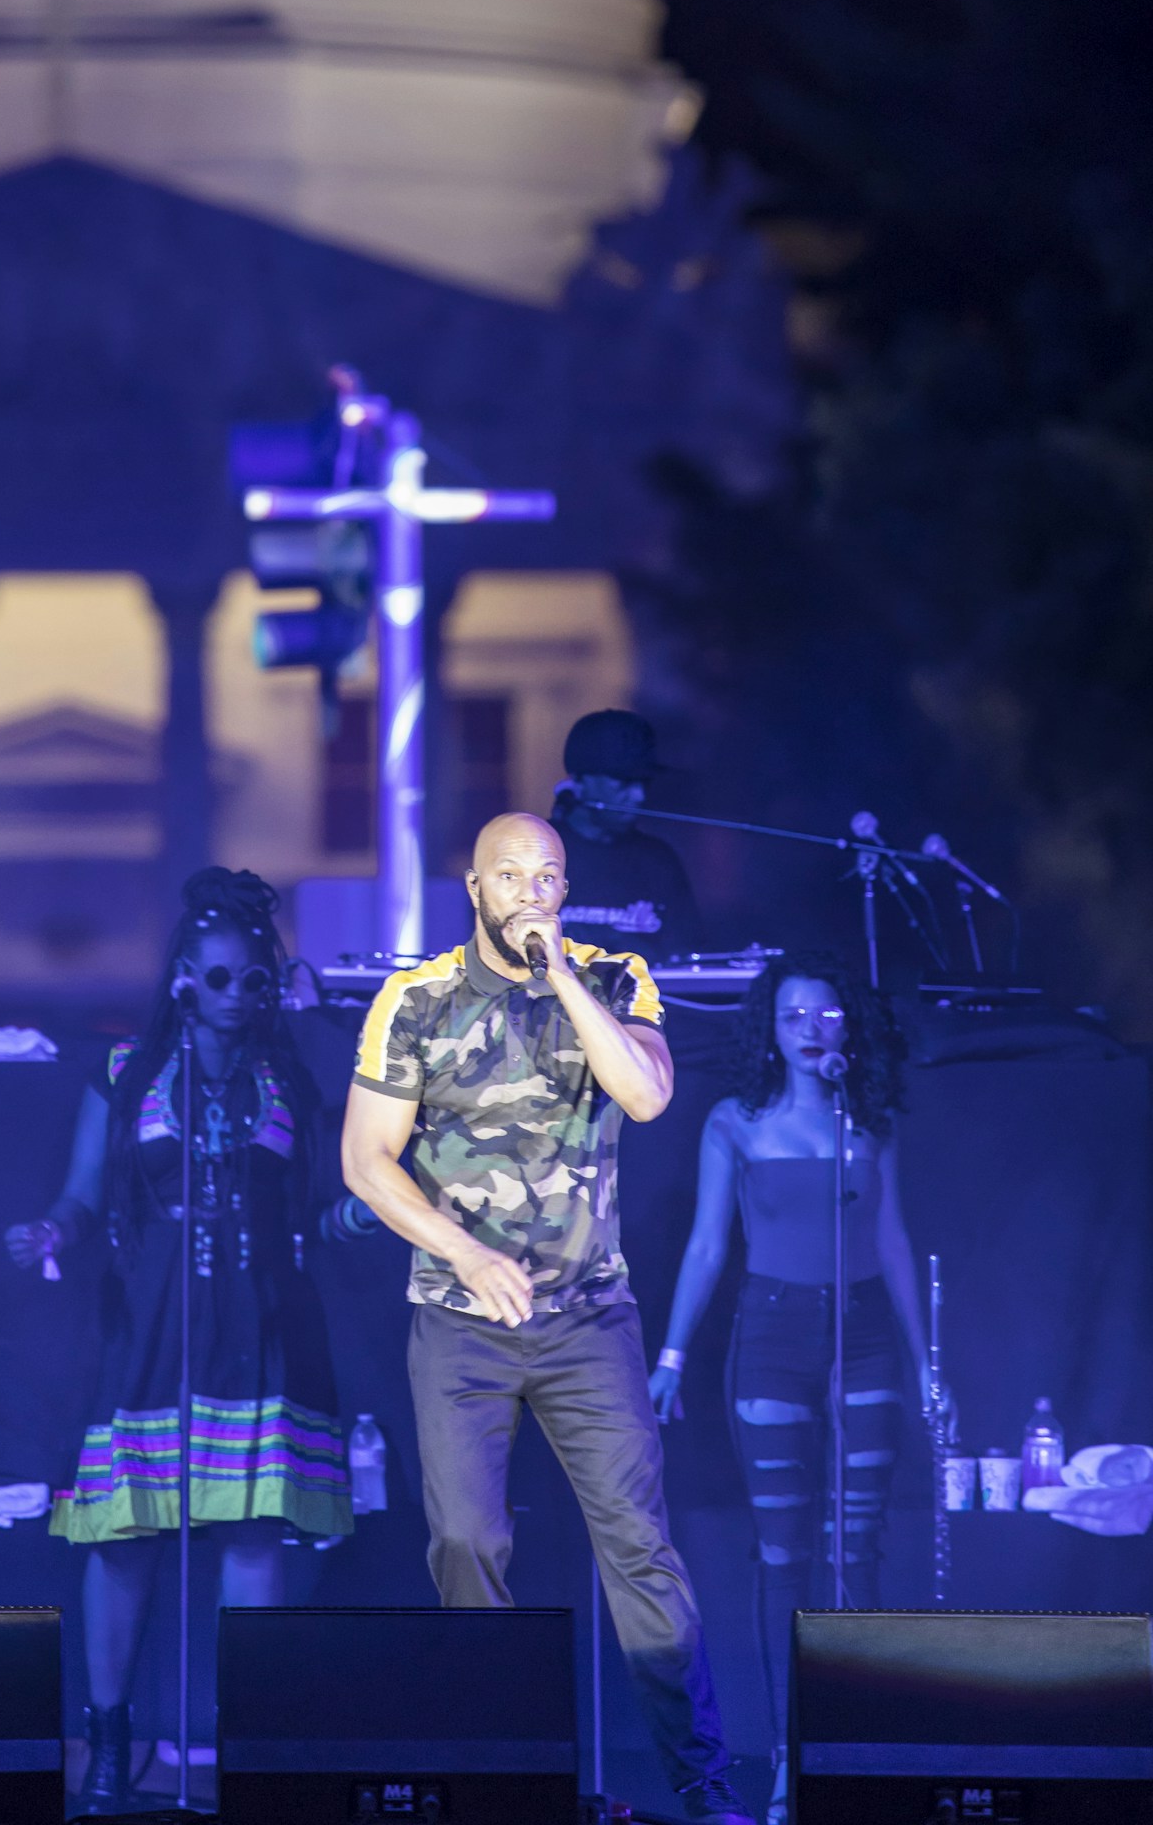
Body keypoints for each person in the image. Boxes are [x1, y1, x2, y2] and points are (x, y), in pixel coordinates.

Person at [342, 811, 752, 1825]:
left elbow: (648, 1097)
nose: (532, 891)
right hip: (458, 1317)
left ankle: (703, 1787)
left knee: (638, 1544)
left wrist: (561, 975)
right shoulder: (417, 999)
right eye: (510, 876)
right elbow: (364, 1161)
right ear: (474, 890)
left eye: (549, 876)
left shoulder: (615, 977)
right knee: (467, 1541)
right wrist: (468, 1254)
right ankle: (496, 1780)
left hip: (589, 1316)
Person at [6, 868, 352, 1813]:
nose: (239, 995)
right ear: (181, 982)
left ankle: (247, 1740)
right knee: (126, 1538)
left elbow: (323, 1207)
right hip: (153, 1326)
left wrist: (355, 1218)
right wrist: (48, 1232)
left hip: (264, 1324)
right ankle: (111, 1744)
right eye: (220, 978)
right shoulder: (124, 1075)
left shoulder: (291, 1077)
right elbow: (81, 1197)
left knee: (251, 1530)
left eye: (254, 979)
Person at [649, 960, 929, 1820]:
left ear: (849, 1028)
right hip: (770, 1338)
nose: (812, 1027)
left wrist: (927, 1368)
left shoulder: (867, 1123)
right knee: (784, 1555)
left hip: (866, 1337)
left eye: (827, 1013)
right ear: (768, 1029)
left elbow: (890, 1243)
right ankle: (782, 1762)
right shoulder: (735, 1123)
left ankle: (861, 1749)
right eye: (793, 1014)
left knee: (859, 1545)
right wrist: (670, 1355)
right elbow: (706, 1245)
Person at [549, 706, 704, 963]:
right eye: (623, 782)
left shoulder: (658, 859)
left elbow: (685, 957)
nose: (639, 796)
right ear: (579, 780)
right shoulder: (538, 850)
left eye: (644, 783)